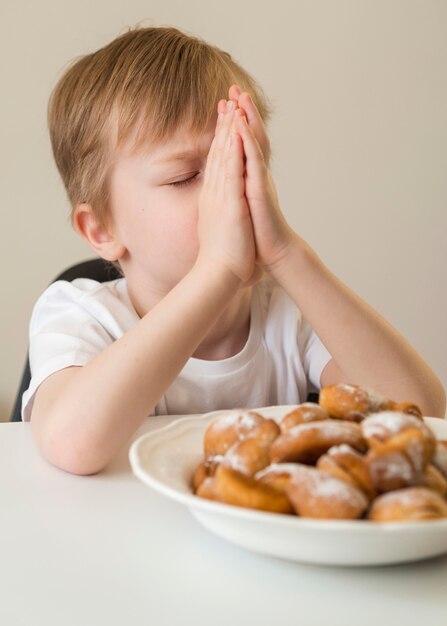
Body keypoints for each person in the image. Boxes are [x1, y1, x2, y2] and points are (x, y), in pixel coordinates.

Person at [23, 25, 445, 475]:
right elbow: (72, 445)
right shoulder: (77, 314)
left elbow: (421, 416)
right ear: (101, 228)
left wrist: (287, 254)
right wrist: (217, 269)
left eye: (242, 161)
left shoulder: (289, 317)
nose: (230, 191)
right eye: (185, 177)